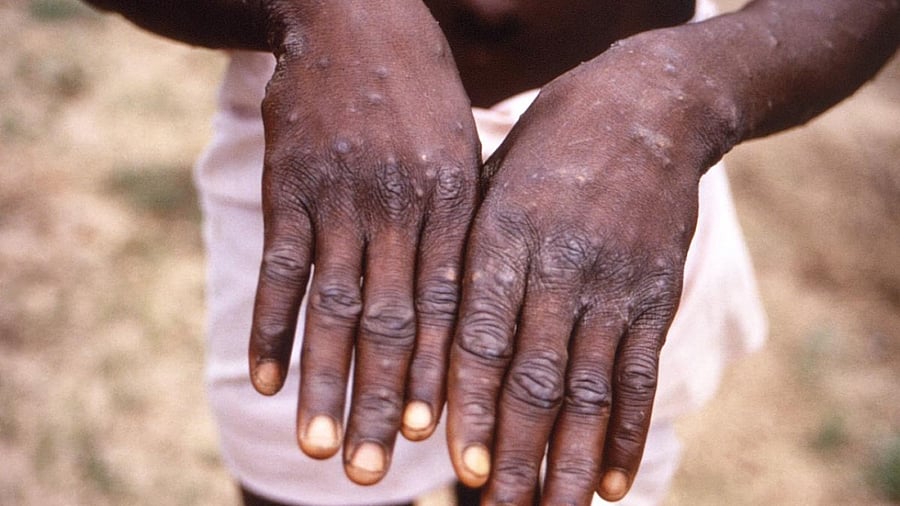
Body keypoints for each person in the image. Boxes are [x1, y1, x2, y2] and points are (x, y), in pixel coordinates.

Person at [81, 0, 898, 504]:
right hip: (337, 127)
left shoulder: (661, 116)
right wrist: (319, 9)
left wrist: (683, 94)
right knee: (310, 472)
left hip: (624, 174)